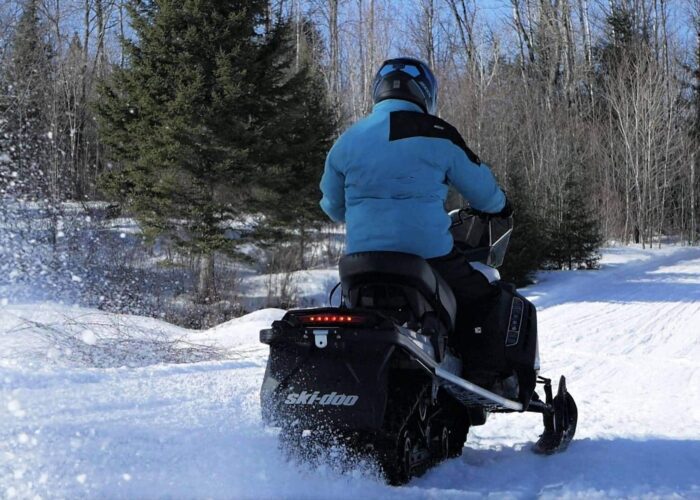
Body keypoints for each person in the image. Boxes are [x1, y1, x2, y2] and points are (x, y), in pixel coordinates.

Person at [319, 57, 513, 349]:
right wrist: (501, 206)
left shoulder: (347, 140)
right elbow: (484, 193)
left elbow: (333, 208)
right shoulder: (437, 133)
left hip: (361, 262)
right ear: (425, 93)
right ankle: (484, 377)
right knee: (485, 298)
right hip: (428, 256)